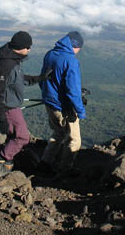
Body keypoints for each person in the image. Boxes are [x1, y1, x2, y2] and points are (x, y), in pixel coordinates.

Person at [0, 31, 50, 173]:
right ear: (20, 47)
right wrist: (2, 119)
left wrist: (40, 78)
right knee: (22, 137)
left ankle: (8, 162)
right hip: (9, 107)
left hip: (11, 105)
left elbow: (19, 79)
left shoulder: (13, 60)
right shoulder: (7, 64)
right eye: (28, 47)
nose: (29, 50)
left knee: (14, 136)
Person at [37, 31, 86, 176]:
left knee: (58, 133)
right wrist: (80, 111)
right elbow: (73, 91)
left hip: (49, 102)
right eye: (79, 49)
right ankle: (65, 170)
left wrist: (48, 95)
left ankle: (45, 163)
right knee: (74, 140)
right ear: (75, 46)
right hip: (64, 107)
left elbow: (42, 79)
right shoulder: (70, 61)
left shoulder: (50, 54)